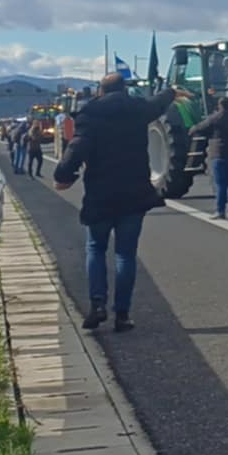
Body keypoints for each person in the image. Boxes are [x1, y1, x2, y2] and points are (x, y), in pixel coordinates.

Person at [53, 74, 185, 331]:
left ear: (100, 91)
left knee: (95, 249)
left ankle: (97, 304)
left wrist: (63, 176)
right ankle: (122, 314)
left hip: (100, 194)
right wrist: (171, 91)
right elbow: (158, 103)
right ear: (124, 89)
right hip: (134, 192)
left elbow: (77, 148)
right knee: (126, 255)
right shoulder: (138, 109)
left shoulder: (90, 114)